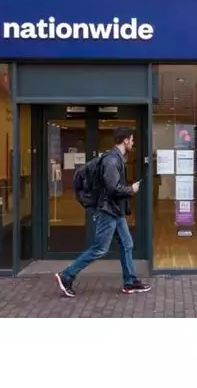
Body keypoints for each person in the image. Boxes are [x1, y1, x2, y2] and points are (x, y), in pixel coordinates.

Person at [55, 127, 152, 297]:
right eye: (132, 139)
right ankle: (66, 275)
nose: (133, 142)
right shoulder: (112, 161)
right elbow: (113, 188)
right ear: (125, 140)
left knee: (127, 244)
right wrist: (131, 189)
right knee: (100, 249)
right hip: (108, 211)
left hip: (115, 210)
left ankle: (130, 282)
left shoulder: (116, 159)